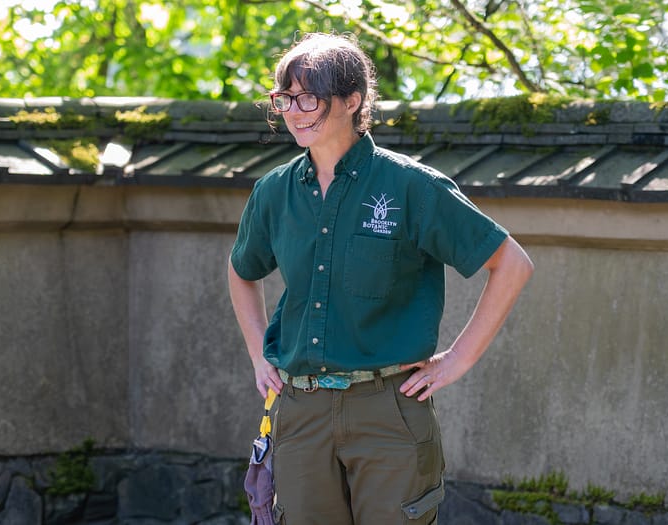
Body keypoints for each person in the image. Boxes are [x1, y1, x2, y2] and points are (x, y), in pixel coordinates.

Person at [228, 32, 534, 525]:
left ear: (353, 100)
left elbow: (512, 264)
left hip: (389, 410)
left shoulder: (412, 186)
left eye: (309, 97)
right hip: (299, 411)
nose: (293, 110)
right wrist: (256, 352)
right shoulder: (273, 192)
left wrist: (457, 359)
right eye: (284, 97)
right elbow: (241, 271)